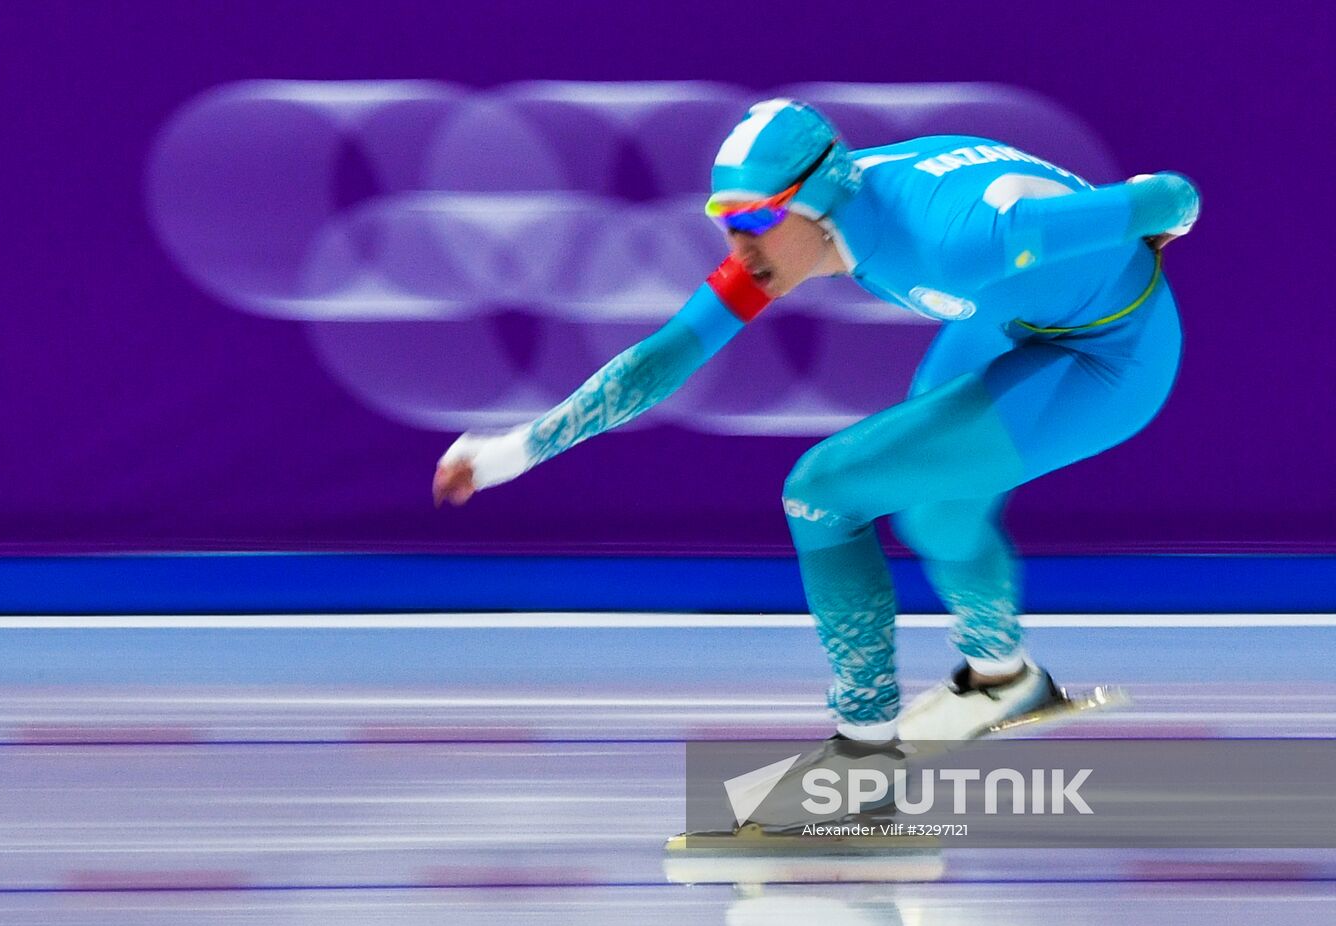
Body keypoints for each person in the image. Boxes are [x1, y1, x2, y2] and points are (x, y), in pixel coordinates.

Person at [433, 99, 1197, 803]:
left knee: (823, 491)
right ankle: (1004, 678)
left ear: (812, 200)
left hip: (1112, 358)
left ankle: (865, 761)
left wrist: (1166, 212)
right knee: (937, 516)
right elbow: (666, 356)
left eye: (755, 224)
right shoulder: (829, 217)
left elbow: (1167, 196)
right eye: (726, 224)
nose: (739, 249)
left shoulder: (958, 244)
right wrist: (516, 452)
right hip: (1019, 320)